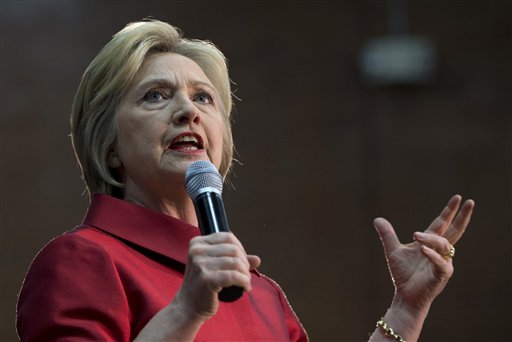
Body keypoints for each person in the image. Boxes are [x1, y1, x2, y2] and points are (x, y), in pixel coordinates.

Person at [16, 19, 474, 341]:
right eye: (155, 95)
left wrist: (406, 310)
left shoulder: (261, 293)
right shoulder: (82, 261)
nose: (187, 111)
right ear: (108, 143)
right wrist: (186, 309)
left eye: (203, 98)